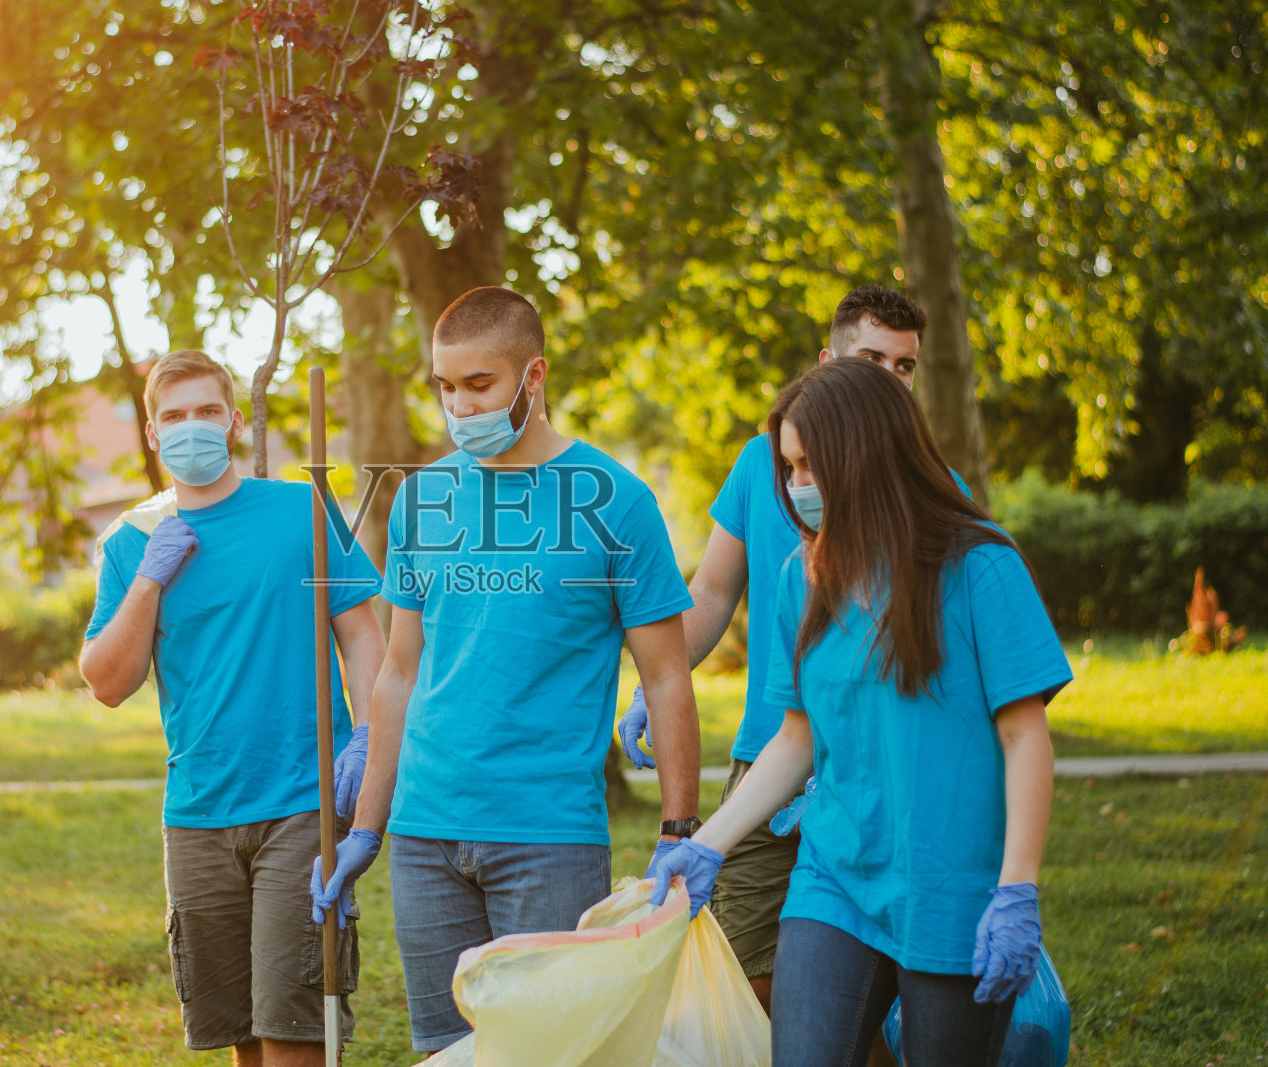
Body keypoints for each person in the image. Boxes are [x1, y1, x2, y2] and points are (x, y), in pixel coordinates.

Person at [309, 286, 704, 1055]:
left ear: (533, 376)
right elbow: (397, 672)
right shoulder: (423, 497)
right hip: (426, 838)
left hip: (548, 836)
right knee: (446, 1055)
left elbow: (666, 675)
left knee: (546, 1055)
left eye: (478, 384)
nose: (459, 407)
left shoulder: (615, 502)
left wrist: (676, 828)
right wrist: (367, 826)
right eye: (445, 387)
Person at [650, 357, 1069, 1066]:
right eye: (788, 468)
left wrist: (1017, 886)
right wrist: (710, 841)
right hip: (834, 876)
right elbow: (797, 734)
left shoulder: (980, 565)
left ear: (870, 455)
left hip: (949, 885)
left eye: (812, 466)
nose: (796, 487)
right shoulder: (801, 579)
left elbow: (1025, 735)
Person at [618, 284, 963, 1019]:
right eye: (871, 357)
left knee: (871, 978)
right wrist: (659, 678)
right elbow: (711, 592)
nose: (888, 377)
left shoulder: (935, 488)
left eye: (905, 366)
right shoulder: (764, 461)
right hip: (770, 755)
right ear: (825, 359)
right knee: (736, 974)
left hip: (878, 765)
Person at [79, 349, 385, 1067]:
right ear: (153, 434)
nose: (193, 428)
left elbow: (362, 638)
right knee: (241, 1040)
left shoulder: (303, 509)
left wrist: (369, 735)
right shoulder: (132, 541)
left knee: (292, 1034)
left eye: (207, 412)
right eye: (174, 416)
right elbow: (107, 680)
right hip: (197, 815)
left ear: (235, 421)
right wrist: (150, 580)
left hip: (301, 801)